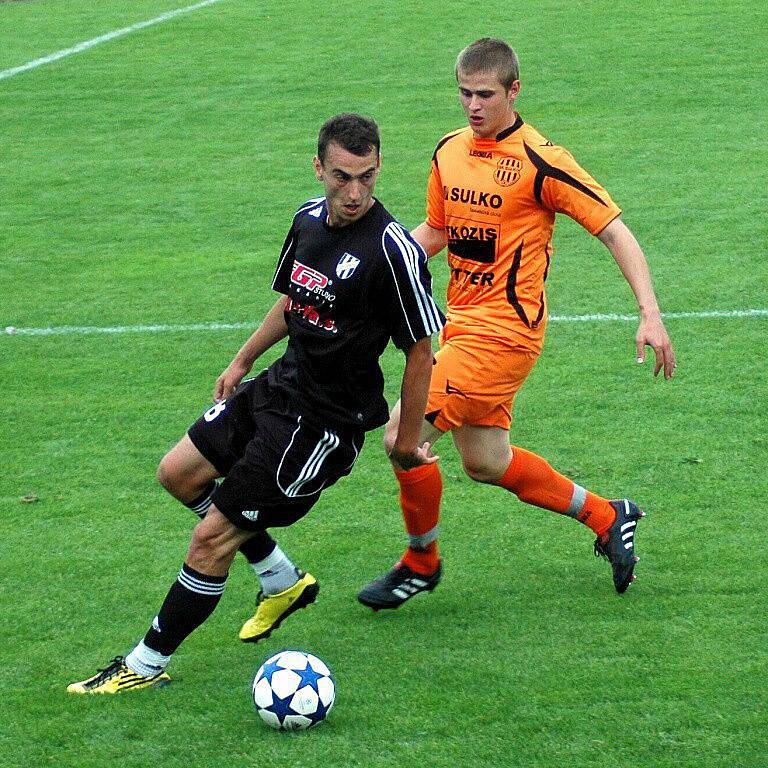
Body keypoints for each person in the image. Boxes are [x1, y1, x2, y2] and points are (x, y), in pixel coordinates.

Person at [68, 113, 444, 693]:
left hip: (322, 426)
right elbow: (292, 301)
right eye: (342, 176)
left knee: (211, 538)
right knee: (178, 475)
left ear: (379, 169)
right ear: (318, 167)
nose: (354, 192)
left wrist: (404, 437)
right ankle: (280, 578)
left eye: (366, 177)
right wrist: (242, 360)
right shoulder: (306, 221)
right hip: (279, 386)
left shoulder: (392, 253)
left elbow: (422, 350)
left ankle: (144, 665)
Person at [357, 38, 676, 610]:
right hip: (457, 327)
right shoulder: (448, 151)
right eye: (464, 94)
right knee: (485, 462)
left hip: (505, 336)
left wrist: (649, 313)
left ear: (513, 91)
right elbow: (434, 233)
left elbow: (613, 230)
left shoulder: (541, 160)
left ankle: (420, 563)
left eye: (485, 94)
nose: (473, 106)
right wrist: (370, 274)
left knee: (402, 439)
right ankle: (610, 516)